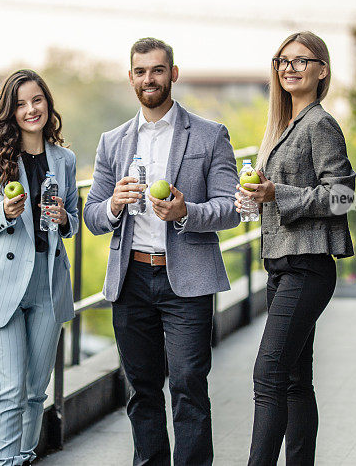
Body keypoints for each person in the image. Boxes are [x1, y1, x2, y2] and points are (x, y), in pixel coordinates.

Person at [83, 37, 240, 465]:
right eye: (140, 71)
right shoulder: (112, 142)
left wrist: (187, 211)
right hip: (131, 279)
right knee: (141, 390)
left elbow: (231, 210)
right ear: (130, 77)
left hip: (186, 280)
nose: (148, 79)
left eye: (156, 70)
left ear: (173, 73)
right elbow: (91, 215)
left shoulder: (210, 135)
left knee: (189, 383)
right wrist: (114, 205)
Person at [236, 31, 355, 465]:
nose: (289, 67)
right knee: (292, 380)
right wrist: (256, 198)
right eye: (282, 60)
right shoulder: (285, 127)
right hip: (282, 265)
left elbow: (343, 196)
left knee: (268, 373)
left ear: (322, 71)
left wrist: (279, 193)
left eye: (301, 61)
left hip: (308, 266)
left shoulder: (320, 124)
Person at [0, 69, 78, 466]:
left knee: (35, 390)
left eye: (37, 100)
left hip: (48, 282)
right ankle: (5, 461)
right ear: (10, 112)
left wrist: (64, 217)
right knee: (10, 386)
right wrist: (3, 213)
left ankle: (24, 456)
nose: (31, 110)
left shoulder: (64, 159)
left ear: (47, 103)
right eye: (21, 104)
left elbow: (74, 222)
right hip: (3, 285)